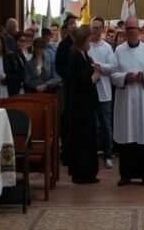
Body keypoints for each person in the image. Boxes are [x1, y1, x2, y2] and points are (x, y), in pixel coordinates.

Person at [111, 17, 144, 186]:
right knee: (127, 135)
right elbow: (112, 73)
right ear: (124, 32)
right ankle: (125, 175)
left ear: (139, 31)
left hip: (142, 100)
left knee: (142, 135)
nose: (131, 32)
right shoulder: (118, 50)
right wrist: (125, 77)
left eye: (134, 29)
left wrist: (143, 77)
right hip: (125, 100)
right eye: (128, 29)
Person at [67, 26, 100, 184]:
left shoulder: (84, 55)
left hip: (86, 103)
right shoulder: (75, 55)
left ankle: (88, 172)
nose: (90, 43)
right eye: (88, 40)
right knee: (81, 139)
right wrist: (95, 76)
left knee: (88, 137)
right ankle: (81, 173)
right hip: (79, 105)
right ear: (83, 40)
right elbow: (81, 80)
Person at [87, 17, 117, 169]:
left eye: (98, 27)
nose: (95, 29)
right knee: (92, 125)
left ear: (103, 29)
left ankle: (108, 154)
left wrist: (100, 67)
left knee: (106, 124)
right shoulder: (87, 46)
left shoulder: (107, 47)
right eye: (93, 27)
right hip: (90, 92)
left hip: (104, 92)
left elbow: (112, 67)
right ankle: (91, 153)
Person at [55, 13, 78, 167]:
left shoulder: (81, 42)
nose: (73, 25)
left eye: (74, 23)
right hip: (69, 86)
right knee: (68, 119)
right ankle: (68, 154)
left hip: (81, 86)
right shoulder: (64, 45)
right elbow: (58, 66)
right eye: (70, 23)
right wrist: (69, 75)